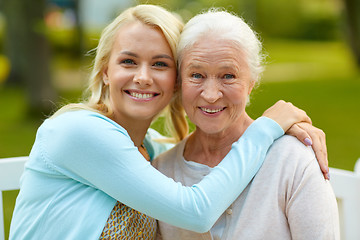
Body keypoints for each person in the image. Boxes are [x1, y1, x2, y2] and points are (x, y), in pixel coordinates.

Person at [9, 4, 326, 240]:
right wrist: (266, 128)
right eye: (128, 61)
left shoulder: (152, 153)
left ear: (176, 80)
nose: (143, 77)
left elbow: (202, 150)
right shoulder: (78, 131)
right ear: (105, 70)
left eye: (160, 64)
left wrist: (290, 129)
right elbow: (196, 212)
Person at [153, 9, 339, 240]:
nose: (211, 95)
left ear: (251, 82)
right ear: (179, 81)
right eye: (197, 75)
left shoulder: (293, 159)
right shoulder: (162, 171)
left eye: (228, 76)